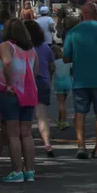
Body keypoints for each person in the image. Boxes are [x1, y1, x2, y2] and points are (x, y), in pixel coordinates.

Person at [63, 2, 97, 159]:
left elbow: (66, 57)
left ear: (83, 14)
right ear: (96, 14)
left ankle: (81, 146)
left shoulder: (73, 32)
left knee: (80, 112)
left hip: (81, 79)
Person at [0, 18, 39, 183]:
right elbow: (36, 71)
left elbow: (6, 63)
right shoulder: (31, 49)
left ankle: (17, 171)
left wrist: (9, 84)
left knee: (13, 135)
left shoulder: (6, 46)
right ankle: (30, 171)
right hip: (29, 93)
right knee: (27, 134)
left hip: (12, 93)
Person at [25, 20, 56, 158]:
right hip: (43, 83)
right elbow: (52, 67)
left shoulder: (23, 48)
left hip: (26, 83)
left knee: (26, 117)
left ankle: (26, 144)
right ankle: (47, 144)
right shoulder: (45, 48)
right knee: (42, 116)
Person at [52, 44, 72, 131]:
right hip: (67, 82)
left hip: (58, 83)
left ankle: (64, 121)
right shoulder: (66, 61)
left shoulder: (54, 63)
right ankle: (60, 120)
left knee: (61, 103)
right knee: (63, 102)